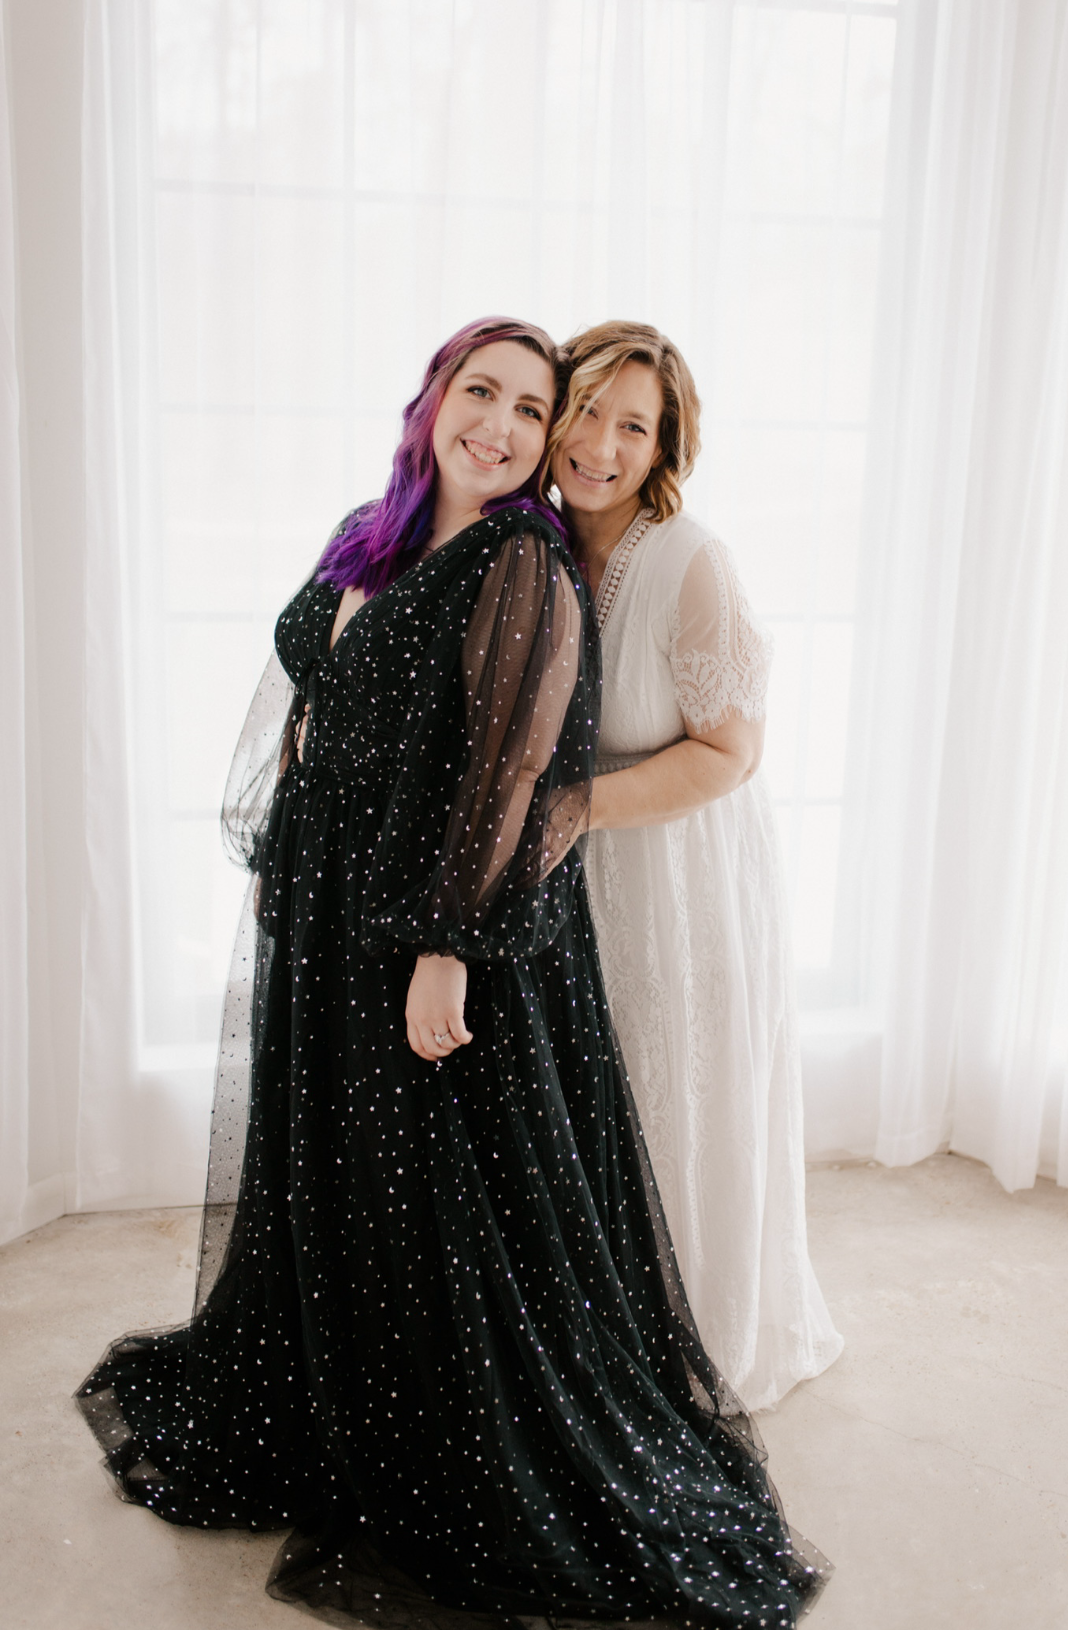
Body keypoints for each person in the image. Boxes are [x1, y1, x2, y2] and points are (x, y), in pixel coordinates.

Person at [76, 317, 828, 1625]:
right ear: (433, 399)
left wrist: (450, 947)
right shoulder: (374, 530)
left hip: (418, 920)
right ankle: (329, 1387)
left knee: (434, 1195)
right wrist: (290, 837)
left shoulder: (524, 558)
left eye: (532, 409)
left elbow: (513, 771)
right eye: (484, 391)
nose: (508, 423)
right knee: (331, 1168)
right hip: (325, 909)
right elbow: (321, 696)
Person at [550, 321, 843, 1411]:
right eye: (587, 409)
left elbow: (733, 750)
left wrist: (570, 811)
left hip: (680, 879)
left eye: (636, 425)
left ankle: (685, 1337)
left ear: (664, 448)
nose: (602, 443)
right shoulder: (532, 541)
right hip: (577, 878)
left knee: (673, 1101)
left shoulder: (689, 561)